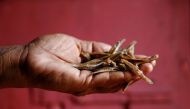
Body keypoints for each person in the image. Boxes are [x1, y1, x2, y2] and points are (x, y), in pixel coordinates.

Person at [0, 33, 156, 96]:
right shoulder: (99, 59)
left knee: (141, 67)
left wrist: (24, 58)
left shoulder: (118, 60)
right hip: (89, 63)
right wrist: (24, 58)